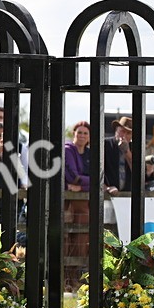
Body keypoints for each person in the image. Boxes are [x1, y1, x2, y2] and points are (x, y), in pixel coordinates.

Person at [62, 120, 91, 289]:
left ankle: (74, 278)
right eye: (79, 132)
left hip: (84, 202)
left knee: (82, 239)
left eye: (85, 133)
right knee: (67, 240)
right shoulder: (68, 150)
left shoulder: (89, 153)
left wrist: (83, 184)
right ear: (74, 134)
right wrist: (88, 182)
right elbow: (72, 176)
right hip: (68, 203)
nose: (82, 136)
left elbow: (98, 176)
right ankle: (65, 279)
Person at [102, 116, 134, 194]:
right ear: (116, 130)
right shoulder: (104, 144)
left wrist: (127, 152)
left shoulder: (135, 148)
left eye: (128, 133)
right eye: (122, 131)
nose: (124, 135)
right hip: (107, 193)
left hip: (128, 194)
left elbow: (140, 173)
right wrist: (106, 187)